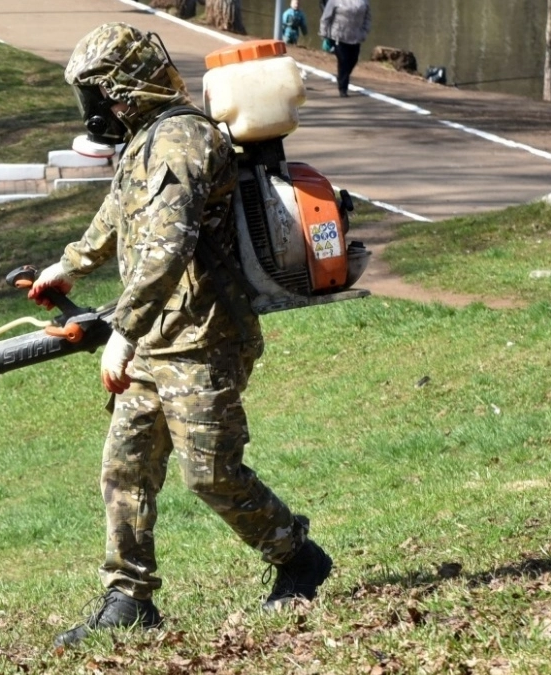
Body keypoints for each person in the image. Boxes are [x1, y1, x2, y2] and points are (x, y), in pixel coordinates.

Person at [30, 22, 333, 649]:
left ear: (127, 88)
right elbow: (122, 211)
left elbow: (167, 252)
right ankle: (128, 598)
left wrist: (122, 333)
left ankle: (297, 557)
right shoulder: (146, 142)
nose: (92, 110)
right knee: (126, 468)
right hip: (158, 334)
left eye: (97, 95)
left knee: (210, 475)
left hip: (204, 338)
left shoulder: (181, 140)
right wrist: (71, 263)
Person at [320, 0, 372, 97]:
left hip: (356, 37)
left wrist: (364, 32)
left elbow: (368, 18)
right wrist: (324, 34)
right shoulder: (334, 1)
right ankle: (343, 89)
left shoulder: (364, 2)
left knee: (353, 60)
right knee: (343, 61)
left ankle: (342, 77)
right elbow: (326, 18)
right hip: (338, 37)